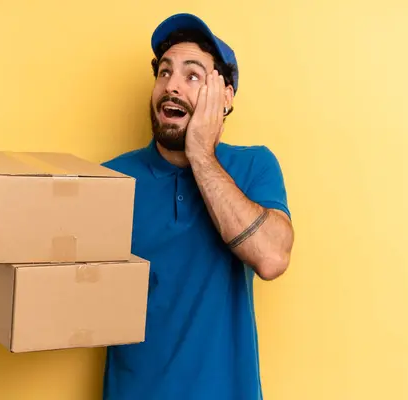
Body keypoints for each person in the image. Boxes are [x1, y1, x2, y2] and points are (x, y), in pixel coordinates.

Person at [101, 12, 295, 400]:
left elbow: (272, 257)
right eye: (164, 73)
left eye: (192, 76)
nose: (171, 87)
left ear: (225, 98)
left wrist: (201, 155)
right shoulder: (108, 181)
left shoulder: (254, 165)